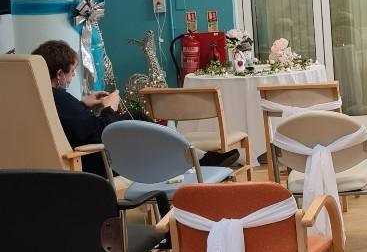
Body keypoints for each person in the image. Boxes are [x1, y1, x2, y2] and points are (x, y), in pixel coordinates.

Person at [33, 40, 239, 177]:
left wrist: (82, 104)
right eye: (71, 73)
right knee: (142, 125)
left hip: (89, 156)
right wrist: (109, 108)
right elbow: (97, 135)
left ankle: (196, 159)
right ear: (59, 74)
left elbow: (71, 122)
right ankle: (195, 160)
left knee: (140, 120)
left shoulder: (43, 97)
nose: (71, 78)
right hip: (99, 160)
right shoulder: (59, 97)